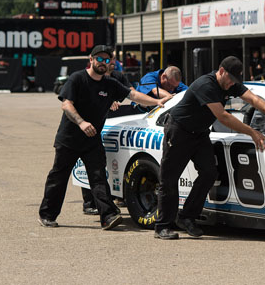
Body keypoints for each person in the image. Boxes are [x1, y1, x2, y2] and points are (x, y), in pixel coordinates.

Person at [154, 56, 265, 240]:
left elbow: (252, 98)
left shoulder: (230, 82)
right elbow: (223, 116)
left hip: (200, 133)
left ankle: (187, 217)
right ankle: (162, 226)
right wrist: (252, 132)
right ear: (221, 71)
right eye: (230, 79)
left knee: (209, 173)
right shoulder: (206, 84)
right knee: (169, 179)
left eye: (236, 81)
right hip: (179, 131)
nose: (232, 84)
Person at [38, 45, 172, 230]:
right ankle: (47, 215)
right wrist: (82, 122)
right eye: (99, 59)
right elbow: (66, 105)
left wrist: (156, 102)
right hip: (69, 139)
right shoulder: (77, 78)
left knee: (99, 177)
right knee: (58, 178)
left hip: (92, 140)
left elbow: (133, 95)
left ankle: (108, 216)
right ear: (91, 59)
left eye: (107, 59)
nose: (103, 62)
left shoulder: (110, 84)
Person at [81, 52, 136, 215]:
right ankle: (89, 202)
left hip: (112, 122)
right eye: (106, 60)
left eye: (111, 60)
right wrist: (109, 100)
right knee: (90, 165)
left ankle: (111, 198)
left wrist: (136, 97)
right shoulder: (92, 77)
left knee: (108, 164)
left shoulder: (118, 77)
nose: (110, 63)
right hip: (92, 124)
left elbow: (130, 90)